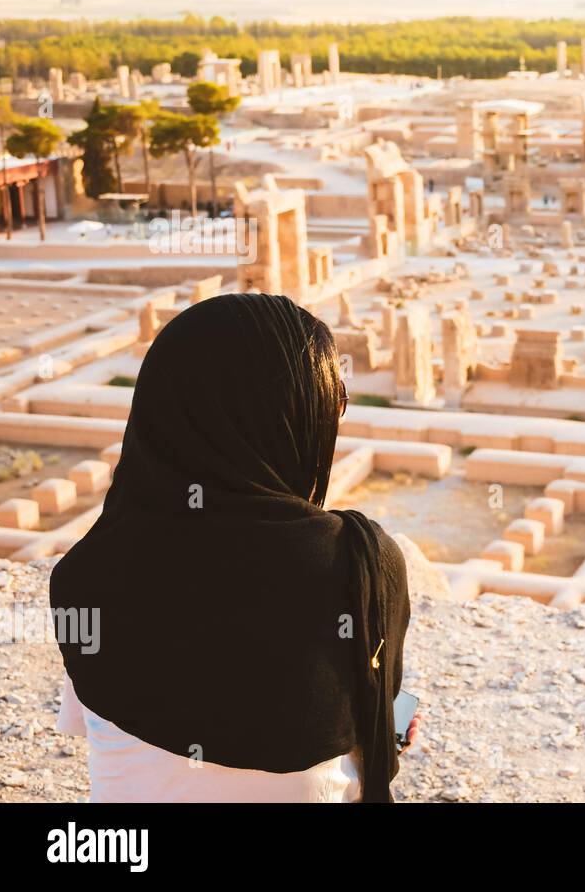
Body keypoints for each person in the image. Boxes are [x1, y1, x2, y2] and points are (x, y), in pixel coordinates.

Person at [51, 293, 414, 802]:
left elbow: (107, 729)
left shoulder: (85, 574)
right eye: (331, 405)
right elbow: (378, 735)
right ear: (290, 418)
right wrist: (387, 725)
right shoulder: (360, 566)